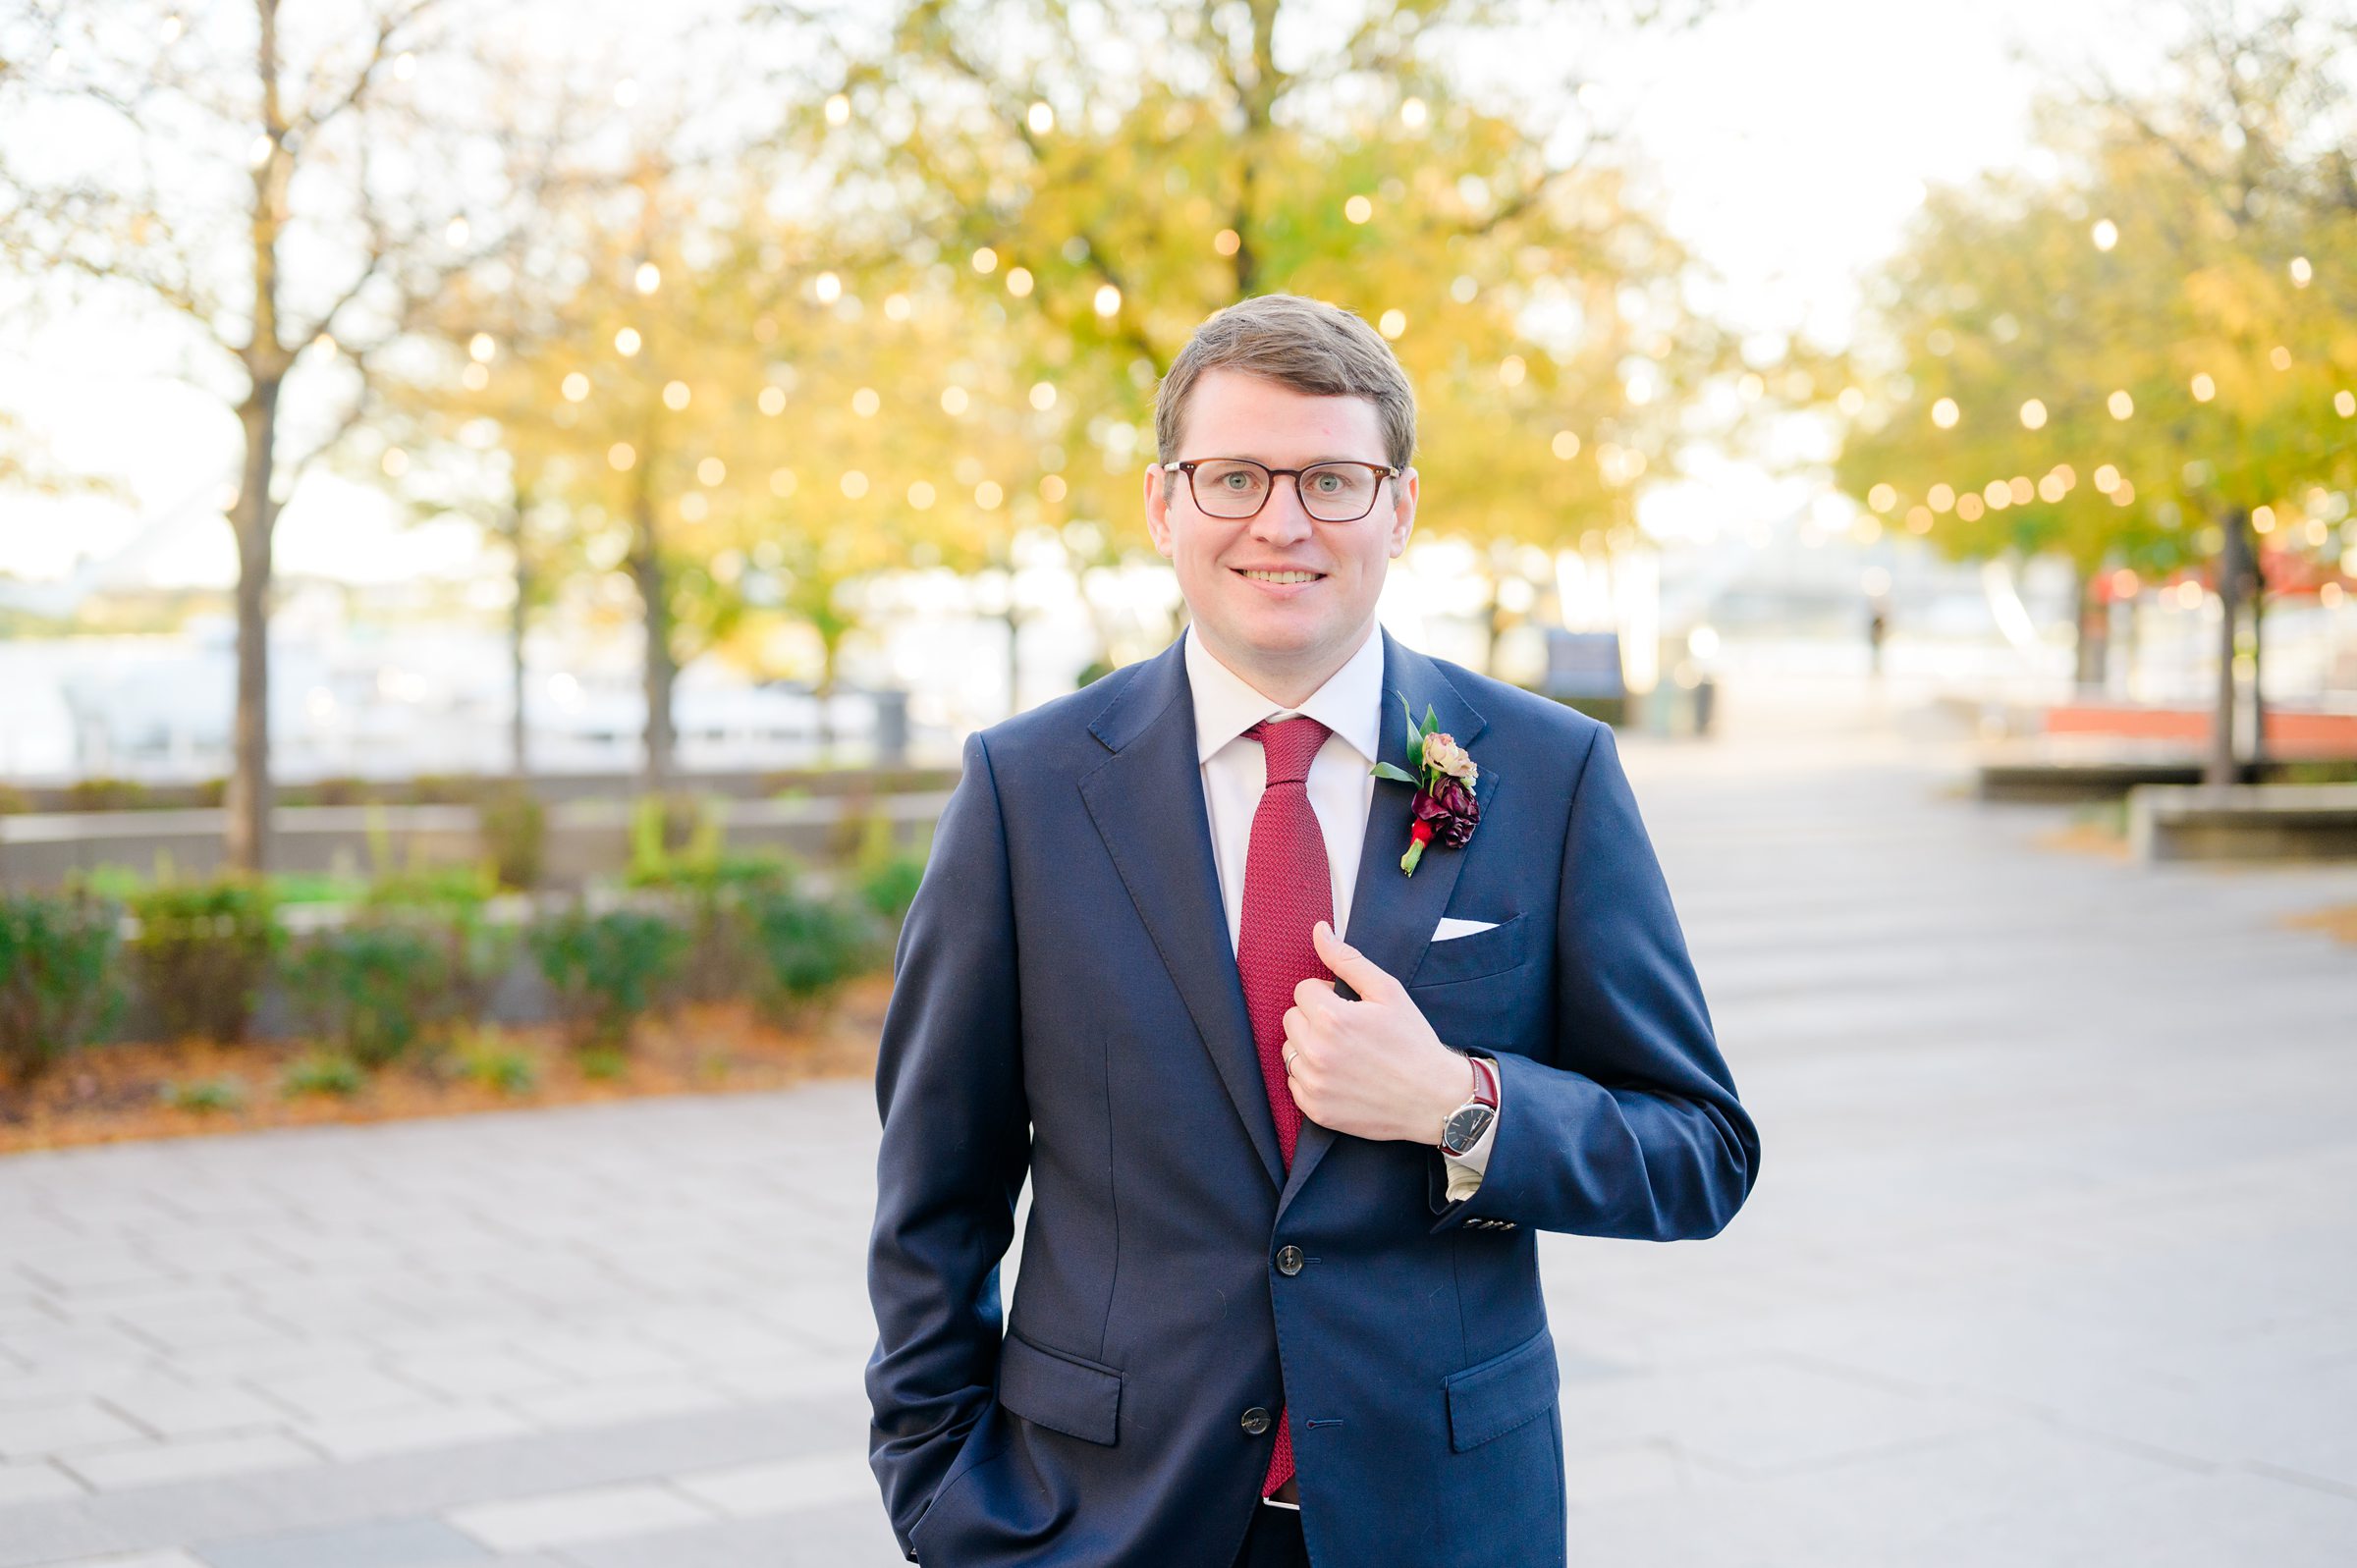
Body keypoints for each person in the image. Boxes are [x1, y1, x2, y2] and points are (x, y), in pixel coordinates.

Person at [865, 293, 1758, 1567]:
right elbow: (933, 1201)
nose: (1280, 523)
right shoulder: (1026, 790)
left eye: (1332, 479)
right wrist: (942, 1498)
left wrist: (1463, 1104)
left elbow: (1701, 1149)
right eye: (1233, 476)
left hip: (1442, 1524)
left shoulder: (1551, 777)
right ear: (1163, 503)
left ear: (1398, 507)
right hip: (1099, 1524)